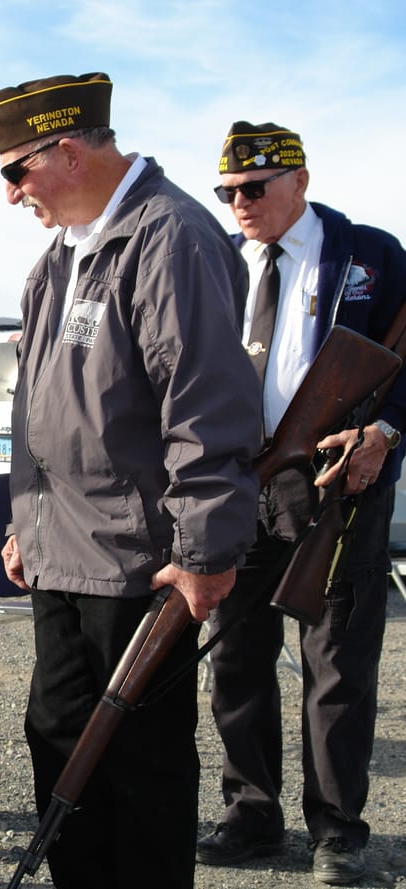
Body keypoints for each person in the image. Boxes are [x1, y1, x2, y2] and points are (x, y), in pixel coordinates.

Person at [0, 73, 263, 888]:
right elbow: (41, 406)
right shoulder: (57, 259)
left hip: (138, 563)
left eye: (15, 172)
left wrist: (207, 551)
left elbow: (205, 406)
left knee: (137, 767)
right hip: (62, 553)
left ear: (67, 151)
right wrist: (22, 525)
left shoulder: (172, 237)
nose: (10, 195)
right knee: (60, 741)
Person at [195, 122, 406, 886]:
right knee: (235, 656)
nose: (239, 203)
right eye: (228, 192)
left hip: (333, 481)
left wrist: (383, 431)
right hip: (236, 481)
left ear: (300, 180)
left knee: (338, 661)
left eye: (254, 187)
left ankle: (338, 830)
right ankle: (250, 813)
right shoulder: (215, 259)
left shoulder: (372, 254)